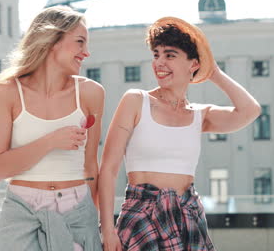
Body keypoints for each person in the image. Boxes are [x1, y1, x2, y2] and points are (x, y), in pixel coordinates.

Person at [99, 16, 261, 251]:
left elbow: (250, 110)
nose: (159, 63)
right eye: (156, 54)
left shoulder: (199, 115)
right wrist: (107, 229)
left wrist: (213, 71)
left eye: (170, 55)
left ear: (193, 64)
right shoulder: (136, 101)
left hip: (188, 217)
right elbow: (108, 169)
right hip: (141, 216)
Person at [0, 6, 104, 251]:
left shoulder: (92, 93)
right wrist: (51, 141)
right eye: (80, 42)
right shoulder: (6, 91)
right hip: (21, 213)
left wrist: (94, 218)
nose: (86, 53)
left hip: (78, 211)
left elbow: (91, 165)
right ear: (52, 41)